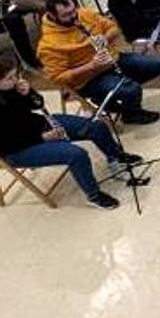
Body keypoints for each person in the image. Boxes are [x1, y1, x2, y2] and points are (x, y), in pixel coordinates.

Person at [0, 55, 138, 210]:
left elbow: (38, 104)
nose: (15, 80)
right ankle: (94, 196)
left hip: (38, 125)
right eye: (10, 78)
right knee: (76, 155)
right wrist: (42, 138)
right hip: (17, 149)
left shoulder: (13, 87)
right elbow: (6, 142)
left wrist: (28, 93)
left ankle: (116, 157)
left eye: (16, 75)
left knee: (96, 126)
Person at [36, 0, 160, 124]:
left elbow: (113, 28)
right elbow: (58, 77)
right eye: (66, 15)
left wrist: (105, 38)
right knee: (131, 89)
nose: (74, 16)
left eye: (74, 10)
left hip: (113, 60)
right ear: (52, 15)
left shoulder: (84, 14)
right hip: (89, 80)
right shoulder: (49, 45)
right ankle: (131, 114)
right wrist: (91, 66)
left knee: (159, 64)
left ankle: (111, 96)